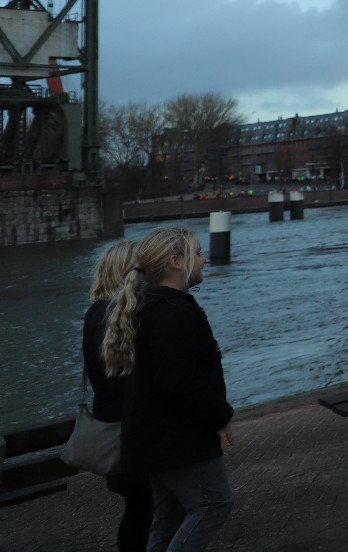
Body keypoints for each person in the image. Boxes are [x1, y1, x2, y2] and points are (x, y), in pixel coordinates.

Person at [101, 228, 235, 552]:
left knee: (169, 516)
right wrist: (220, 416)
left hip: (155, 438)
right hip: (177, 439)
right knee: (214, 504)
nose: (203, 260)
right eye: (198, 253)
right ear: (176, 261)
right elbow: (179, 382)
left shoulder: (153, 306)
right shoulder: (171, 312)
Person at [83, 240, 154, 552]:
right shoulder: (122, 317)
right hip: (134, 433)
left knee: (138, 509)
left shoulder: (93, 313)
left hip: (111, 430)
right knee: (151, 508)